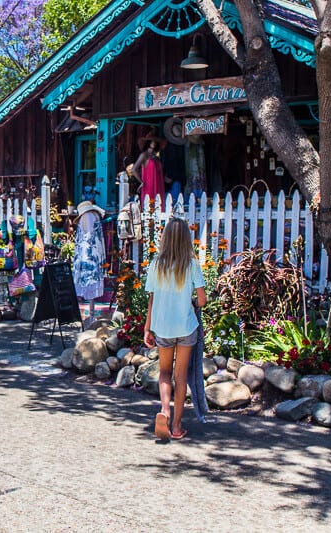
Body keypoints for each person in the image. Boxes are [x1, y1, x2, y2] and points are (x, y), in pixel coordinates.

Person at [143, 218, 207, 440]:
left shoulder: (155, 264)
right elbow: (202, 300)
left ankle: (165, 411)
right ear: (186, 240)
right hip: (186, 327)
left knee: (164, 373)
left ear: (165, 238)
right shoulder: (191, 265)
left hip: (163, 327)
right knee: (181, 377)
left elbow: (151, 299)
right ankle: (178, 427)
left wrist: (147, 328)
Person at [133, 139, 167, 205]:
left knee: (159, 204)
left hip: (159, 184)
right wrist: (141, 181)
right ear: (148, 142)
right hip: (149, 184)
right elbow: (134, 169)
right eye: (151, 141)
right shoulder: (144, 155)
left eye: (155, 141)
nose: (153, 143)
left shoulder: (156, 157)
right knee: (149, 204)